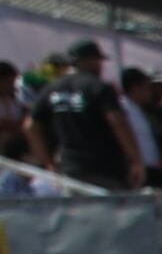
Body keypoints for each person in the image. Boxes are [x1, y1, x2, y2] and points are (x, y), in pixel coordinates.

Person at [38, 41, 140, 190]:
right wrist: (135, 160)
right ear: (88, 60)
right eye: (98, 61)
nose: (101, 66)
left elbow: (30, 126)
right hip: (104, 170)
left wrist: (47, 162)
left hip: (70, 170)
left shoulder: (53, 89)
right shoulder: (98, 86)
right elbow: (117, 122)